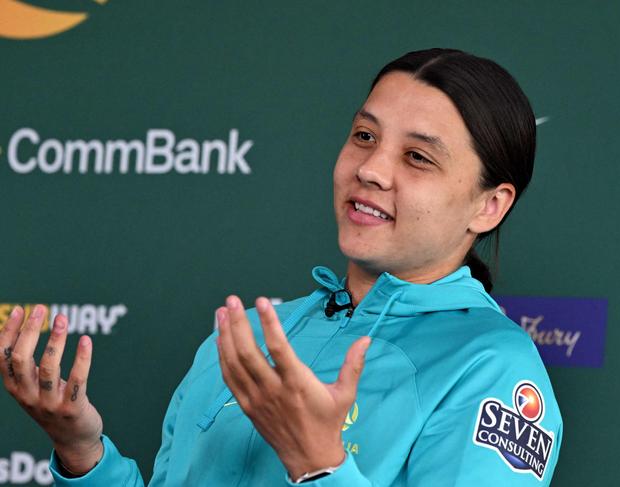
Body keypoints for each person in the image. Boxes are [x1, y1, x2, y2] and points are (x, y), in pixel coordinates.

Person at [0, 48, 562, 486]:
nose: (370, 169)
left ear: (489, 206)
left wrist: (316, 463)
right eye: (364, 136)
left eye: (417, 157)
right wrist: (82, 454)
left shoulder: (493, 367)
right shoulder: (250, 334)